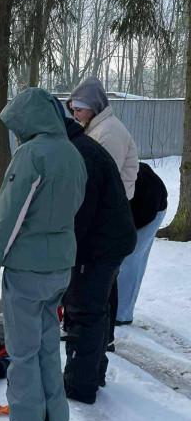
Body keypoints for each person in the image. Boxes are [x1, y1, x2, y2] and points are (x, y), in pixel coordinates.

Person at [0, 88, 86, 421]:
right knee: (45, 349)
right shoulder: (74, 153)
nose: (14, 134)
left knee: (23, 355)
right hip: (60, 268)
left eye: (16, 126)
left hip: (26, 272)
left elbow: (8, 218)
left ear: (28, 121)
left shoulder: (31, 154)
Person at [61, 110, 137, 403]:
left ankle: (80, 386)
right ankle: (94, 373)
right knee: (97, 308)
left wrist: (67, 253)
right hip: (111, 240)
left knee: (83, 311)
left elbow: (81, 213)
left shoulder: (82, 155)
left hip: (101, 245)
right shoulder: (81, 145)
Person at [67, 76, 139, 199]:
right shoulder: (95, 128)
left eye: (78, 110)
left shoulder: (109, 133)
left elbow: (105, 177)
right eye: (73, 110)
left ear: (93, 107)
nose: (74, 116)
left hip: (113, 202)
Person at [116, 162, 168, 325]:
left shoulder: (144, 184)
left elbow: (143, 216)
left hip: (150, 211)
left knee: (131, 261)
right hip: (130, 208)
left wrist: (125, 234)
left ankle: (121, 314)